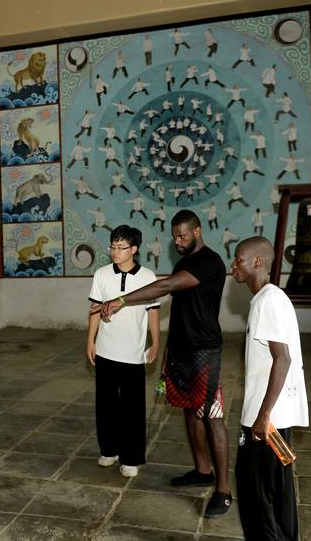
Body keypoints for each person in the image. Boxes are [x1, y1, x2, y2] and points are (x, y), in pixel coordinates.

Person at [95, 210, 233, 518]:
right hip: (182, 349)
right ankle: (202, 470)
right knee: (189, 410)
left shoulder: (210, 262)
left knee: (212, 415)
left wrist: (120, 300)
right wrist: (168, 349)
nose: (178, 241)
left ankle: (223, 490)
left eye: (183, 235)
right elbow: (182, 309)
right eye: (174, 236)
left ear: (197, 232)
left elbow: (165, 287)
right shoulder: (184, 261)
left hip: (204, 350)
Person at [230, 237, 308, 541]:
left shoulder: (269, 301)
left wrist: (264, 416)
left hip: (267, 420)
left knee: (256, 495)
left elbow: (282, 358)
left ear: (258, 262)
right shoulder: (265, 299)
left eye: (239, 259)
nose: (234, 265)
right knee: (275, 493)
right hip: (270, 417)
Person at [87, 225, 161, 479]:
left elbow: (153, 312)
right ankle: (109, 449)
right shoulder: (102, 274)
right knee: (106, 404)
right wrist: (90, 341)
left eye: (121, 247)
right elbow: (95, 309)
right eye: (113, 246)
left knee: (133, 407)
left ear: (134, 249)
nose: (115, 252)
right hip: (106, 350)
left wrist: (156, 342)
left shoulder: (148, 276)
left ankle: (131, 457)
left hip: (133, 353)